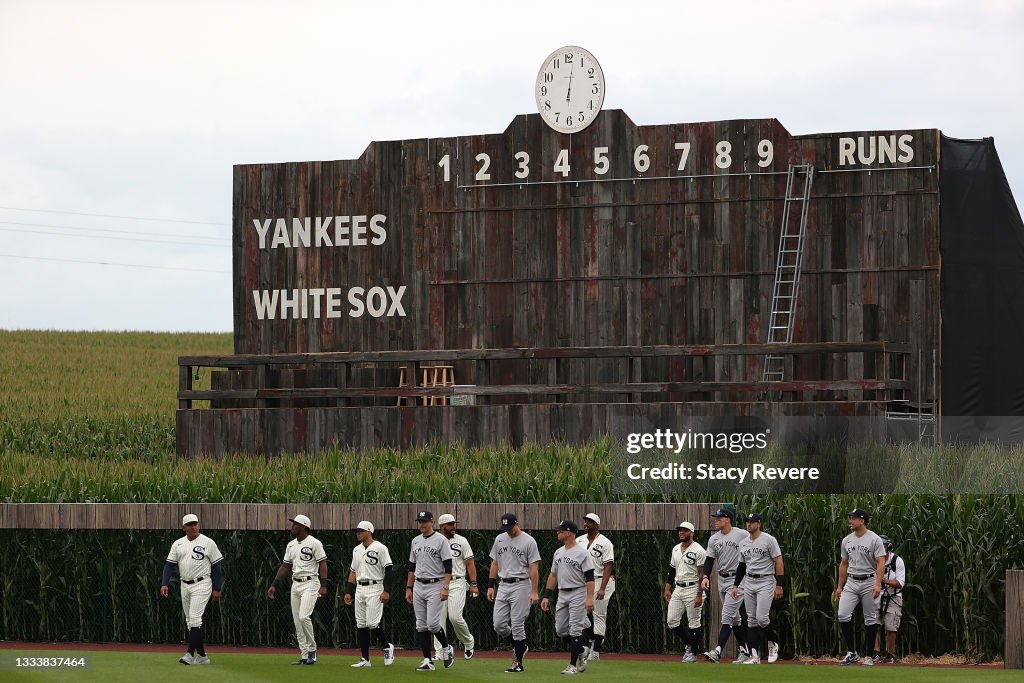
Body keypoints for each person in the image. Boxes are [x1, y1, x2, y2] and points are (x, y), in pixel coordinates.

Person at [160, 513, 224, 665]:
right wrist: (164, 583)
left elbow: (217, 567)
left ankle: (189, 654)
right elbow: (169, 565)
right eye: (190, 524)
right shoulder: (178, 544)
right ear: (183, 528)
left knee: (195, 618)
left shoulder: (208, 542)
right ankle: (202, 656)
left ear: (199, 525)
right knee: (191, 622)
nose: (193, 526)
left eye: (195, 523)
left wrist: (217, 588)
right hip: (184, 584)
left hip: (202, 583)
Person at [266, 514, 328, 665]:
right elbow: (285, 566)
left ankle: (312, 650)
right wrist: (274, 584)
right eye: (293, 524)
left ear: (304, 526)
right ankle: (304, 654)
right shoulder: (291, 545)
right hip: (296, 584)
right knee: (297, 621)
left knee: (303, 616)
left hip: (311, 583)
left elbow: (323, 564)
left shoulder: (314, 543)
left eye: (296, 524)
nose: (292, 526)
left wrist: (324, 585)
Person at [486, 512, 541, 673]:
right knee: (499, 625)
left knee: (517, 623)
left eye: (510, 527)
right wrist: (490, 585)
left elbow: (534, 568)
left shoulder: (528, 541)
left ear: (517, 523)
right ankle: (521, 645)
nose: (508, 530)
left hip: (521, 584)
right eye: (505, 527)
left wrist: (534, 591)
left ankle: (518, 663)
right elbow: (495, 563)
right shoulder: (499, 539)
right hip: (503, 585)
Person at [541, 520, 595, 675]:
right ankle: (581, 650)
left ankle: (572, 666)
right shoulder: (558, 552)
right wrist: (546, 596)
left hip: (578, 592)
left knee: (575, 629)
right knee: (560, 630)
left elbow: (590, 577)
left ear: (569, 532)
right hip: (562, 593)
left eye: (560, 530)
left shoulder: (582, 552)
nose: (558, 532)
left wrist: (589, 598)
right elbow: (553, 575)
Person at [834, 507, 887, 666]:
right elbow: (843, 564)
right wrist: (839, 586)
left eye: (854, 518)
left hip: (869, 581)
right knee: (843, 614)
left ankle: (869, 656)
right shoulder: (847, 540)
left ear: (863, 520)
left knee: (870, 619)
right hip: (851, 580)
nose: (851, 521)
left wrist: (878, 584)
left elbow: (881, 562)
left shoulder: (874, 539)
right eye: (851, 517)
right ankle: (852, 653)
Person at [405, 511, 455, 671]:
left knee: (433, 624)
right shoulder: (415, 541)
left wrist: (445, 587)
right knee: (421, 625)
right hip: (419, 584)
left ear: (432, 522)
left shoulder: (441, 540)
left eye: (425, 521)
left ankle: (446, 648)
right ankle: (427, 660)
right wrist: (408, 587)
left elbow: (448, 566)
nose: (422, 524)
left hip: (436, 583)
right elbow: (411, 567)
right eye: (420, 521)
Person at [701, 507, 751, 663]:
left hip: (738, 581)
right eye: (716, 518)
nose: (716, 521)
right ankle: (745, 651)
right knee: (734, 619)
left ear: (728, 519)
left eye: (719, 518)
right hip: (721, 580)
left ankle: (717, 652)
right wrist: (705, 576)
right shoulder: (714, 539)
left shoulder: (741, 534)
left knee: (727, 616)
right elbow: (709, 560)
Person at [733, 513, 784, 665]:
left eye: (752, 521)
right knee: (751, 620)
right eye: (747, 521)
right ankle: (754, 657)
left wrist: (779, 584)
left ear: (759, 524)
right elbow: (741, 566)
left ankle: (773, 642)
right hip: (749, 580)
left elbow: (779, 562)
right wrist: (736, 585)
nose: (749, 524)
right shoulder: (743, 543)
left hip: (766, 580)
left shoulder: (768, 540)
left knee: (762, 618)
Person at [345, 520, 395, 668]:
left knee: (372, 623)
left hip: (375, 586)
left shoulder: (380, 548)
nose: (358, 533)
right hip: (360, 587)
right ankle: (365, 659)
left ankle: (387, 647)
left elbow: (389, 569)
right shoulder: (356, 549)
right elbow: (353, 571)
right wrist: (348, 591)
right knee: (361, 624)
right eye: (357, 531)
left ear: (369, 531)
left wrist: (386, 590)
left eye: (361, 530)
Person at [432, 513, 479, 660]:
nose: (453, 527)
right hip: (439, 582)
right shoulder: (434, 541)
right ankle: (440, 651)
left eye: (454, 524)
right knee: (438, 619)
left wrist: (474, 584)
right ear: (441, 526)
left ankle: (468, 641)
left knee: (455, 617)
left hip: (457, 581)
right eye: (450, 524)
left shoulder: (462, 541)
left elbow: (470, 563)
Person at [664, 521, 705, 663]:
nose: (682, 532)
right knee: (672, 620)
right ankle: (689, 643)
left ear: (692, 533)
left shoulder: (698, 550)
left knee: (694, 622)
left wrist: (699, 594)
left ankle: (693, 653)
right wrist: (668, 588)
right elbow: (672, 569)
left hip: (693, 587)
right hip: (678, 588)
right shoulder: (675, 549)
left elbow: (702, 574)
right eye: (680, 530)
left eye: (685, 530)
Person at [577, 512, 614, 662]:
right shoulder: (578, 540)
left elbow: (608, 566)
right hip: (583, 582)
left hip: (600, 580)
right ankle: (595, 638)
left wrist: (602, 588)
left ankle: (596, 651)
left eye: (589, 522)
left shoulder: (605, 542)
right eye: (585, 521)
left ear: (597, 525)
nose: (586, 524)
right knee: (579, 615)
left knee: (599, 615)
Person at [875, 535, 906, 664]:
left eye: (884, 546)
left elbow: (900, 583)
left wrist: (884, 580)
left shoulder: (896, 561)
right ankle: (875, 652)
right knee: (873, 624)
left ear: (888, 547)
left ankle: (890, 654)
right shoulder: (873, 560)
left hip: (893, 597)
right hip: (876, 595)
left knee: (891, 626)